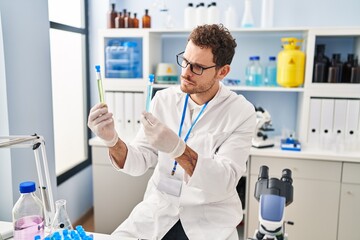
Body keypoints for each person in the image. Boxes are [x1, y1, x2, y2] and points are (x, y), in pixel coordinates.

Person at [88, 24, 256, 240]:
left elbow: (224, 181)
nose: (185, 73)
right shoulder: (163, 100)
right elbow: (139, 161)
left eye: (197, 67)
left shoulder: (241, 111)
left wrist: (178, 149)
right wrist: (112, 140)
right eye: (185, 61)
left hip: (208, 219)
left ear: (222, 71)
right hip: (158, 210)